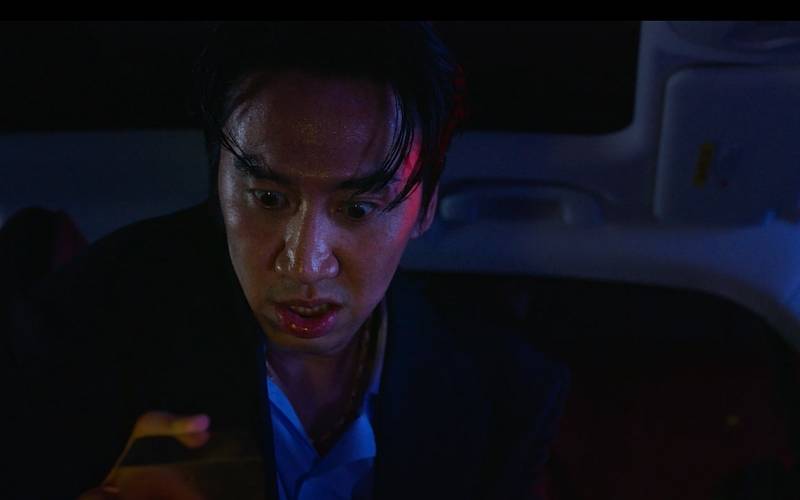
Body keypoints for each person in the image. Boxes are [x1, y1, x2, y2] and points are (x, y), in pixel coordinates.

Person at [4, 22, 569, 499]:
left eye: (358, 208)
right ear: (218, 183)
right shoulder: (82, 327)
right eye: (269, 199)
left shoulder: (504, 393)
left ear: (423, 209)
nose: (305, 265)